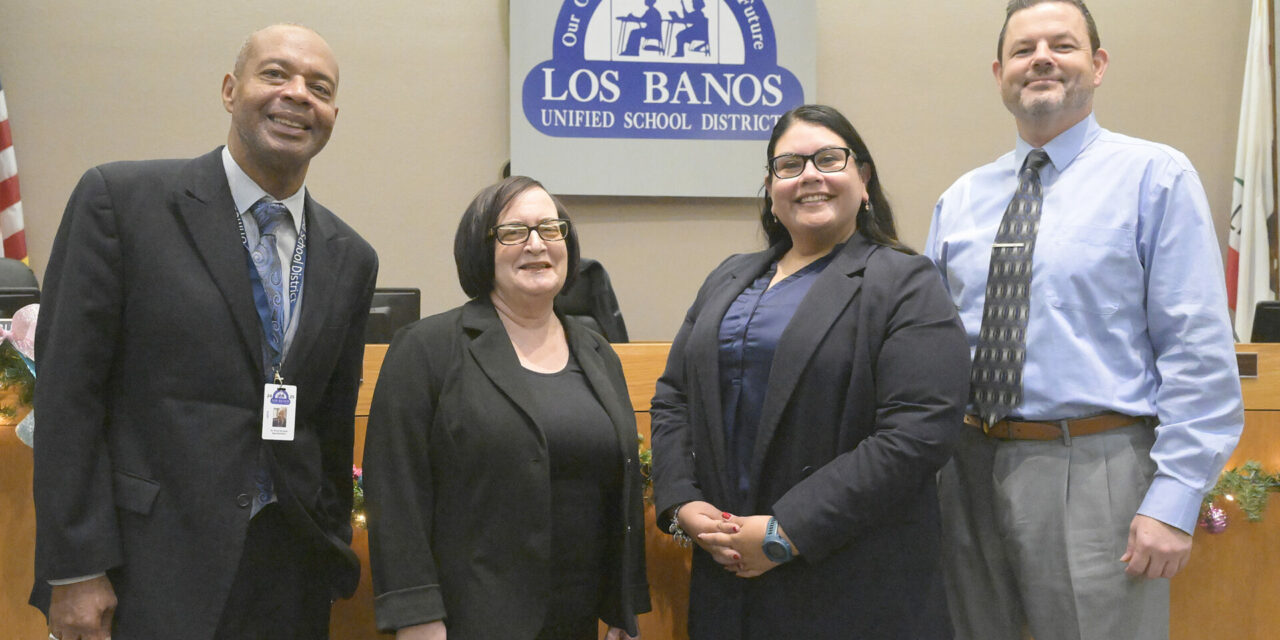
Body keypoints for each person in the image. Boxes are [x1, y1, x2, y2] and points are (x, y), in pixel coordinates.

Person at [29, 24, 378, 640]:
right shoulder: (122, 202)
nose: (298, 95)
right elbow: (67, 397)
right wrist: (75, 568)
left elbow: (328, 418)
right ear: (228, 89)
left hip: (287, 580)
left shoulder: (350, 256)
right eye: (275, 74)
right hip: (146, 571)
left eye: (318, 87)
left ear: (333, 114)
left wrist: (329, 543)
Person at [925, 2, 1244, 639]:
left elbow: (1198, 350)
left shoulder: (1155, 177)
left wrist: (1176, 499)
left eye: (1062, 45)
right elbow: (930, 347)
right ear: (999, 74)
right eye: (1023, 50)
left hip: (1096, 471)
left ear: (1097, 65)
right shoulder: (960, 199)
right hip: (963, 472)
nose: (1041, 58)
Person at [650, 104, 969, 639]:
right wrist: (682, 500)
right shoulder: (728, 278)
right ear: (772, 190)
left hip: (849, 579)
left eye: (828, 158)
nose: (810, 176)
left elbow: (918, 433)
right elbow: (674, 397)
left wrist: (785, 532)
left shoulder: (905, 283)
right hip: (728, 582)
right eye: (790, 165)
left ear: (863, 180)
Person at [362, 176, 650, 640]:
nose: (536, 244)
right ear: (481, 249)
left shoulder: (599, 354)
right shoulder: (426, 349)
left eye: (551, 229)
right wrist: (416, 616)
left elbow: (618, 489)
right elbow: (397, 491)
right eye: (513, 232)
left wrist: (623, 610)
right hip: (469, 619)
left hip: (579, 621)